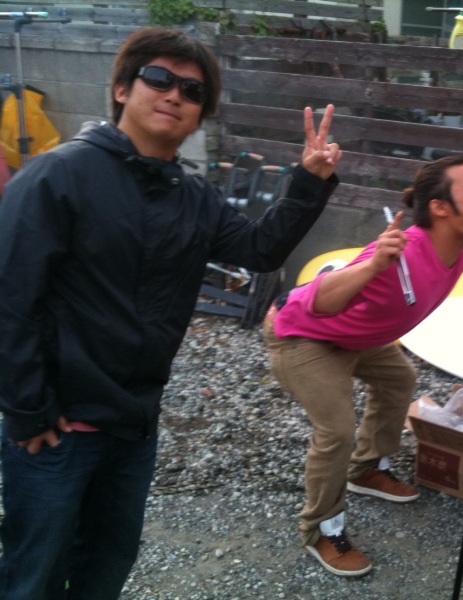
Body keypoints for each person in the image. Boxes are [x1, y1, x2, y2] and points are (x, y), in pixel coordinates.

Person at [0, 27, 341, 599]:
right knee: (33, 575)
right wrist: (27, 411)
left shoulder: (194, 196)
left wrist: (309, 181)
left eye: (192, 90)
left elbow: (259, 249)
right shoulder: (57, 176)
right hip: (58, 429)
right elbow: (12, 299)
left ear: (200, 113)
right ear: (121, 89)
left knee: (107, 565)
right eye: (158, 78)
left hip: (134, 426)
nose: (174, 95)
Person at [264, 154, 463, 577]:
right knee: (336, 431)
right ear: (440, 208)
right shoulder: (399, 254)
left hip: (357, 338)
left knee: (399, 377)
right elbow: (317, 302)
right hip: (302, 335)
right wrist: (373, 264)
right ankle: (322, 529)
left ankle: (366, 470)